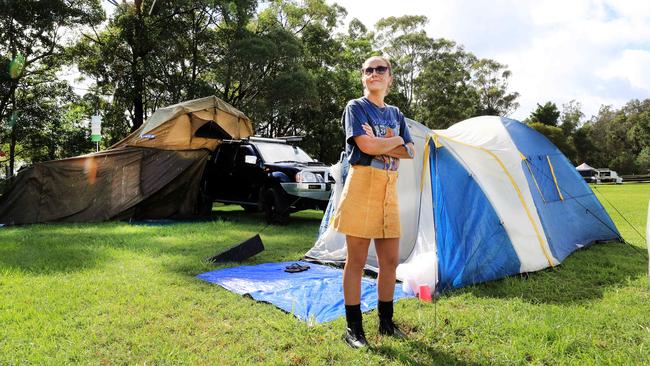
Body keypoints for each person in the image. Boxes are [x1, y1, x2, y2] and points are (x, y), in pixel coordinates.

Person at [332, 55, 415, 348]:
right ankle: (353, 329)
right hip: (363, 182)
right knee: (355, 260)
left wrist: (388, 143)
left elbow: (411, 152)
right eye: (368, 70)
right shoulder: (356, 107)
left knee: (390, 261)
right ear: (363, 77)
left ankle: (386, 322)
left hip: (388, 186)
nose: (374, 73)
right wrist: (394, 141)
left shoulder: (396, 113)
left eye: (381, 69)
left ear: (390, 78)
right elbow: (365, 146)